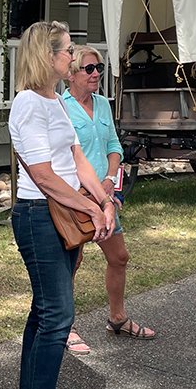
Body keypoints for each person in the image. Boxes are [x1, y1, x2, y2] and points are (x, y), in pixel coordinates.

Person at [9, 21, 115, 389]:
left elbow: (75, 159)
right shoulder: (28, 104)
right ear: (47, 56)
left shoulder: (56, 101)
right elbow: (43, 176)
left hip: (64, 213)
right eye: (68, 51)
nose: (74, 58)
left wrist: (102, 199)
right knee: (58, 315)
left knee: (45, 311)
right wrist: (90, 208)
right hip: (38, 215)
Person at [62, 46, 156, 353]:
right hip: (75, 198)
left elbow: (114, 145)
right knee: (71, 263)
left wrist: (109, 179)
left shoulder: (102, 104)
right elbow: (64, 156)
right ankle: (65, 327)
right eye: (88, 69)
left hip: (105, 196)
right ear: (71, 74)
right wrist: (86, 191)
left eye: (98, 68)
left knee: (119, 257)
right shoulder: (60, 107)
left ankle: (117, 318)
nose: (96, 74)